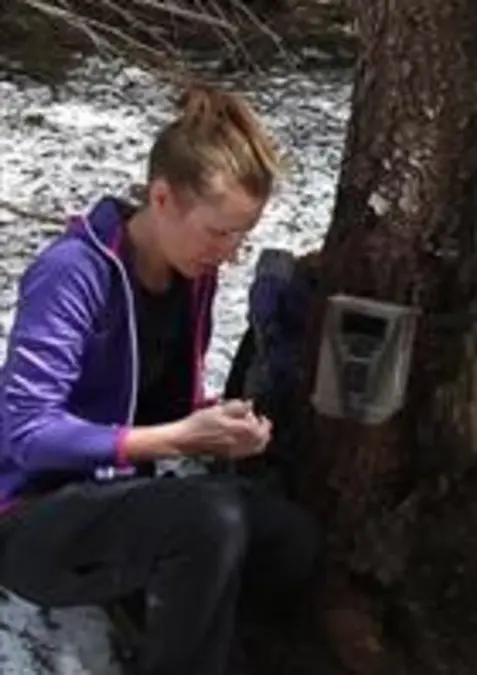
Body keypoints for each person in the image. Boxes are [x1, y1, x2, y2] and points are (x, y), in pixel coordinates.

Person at [0, 83, 321, 675]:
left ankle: (178, 630)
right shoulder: (72, 273)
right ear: (162, 197)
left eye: (241, 236)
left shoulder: (188, 274)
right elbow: (27, 430)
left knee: (289, 538)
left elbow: (157, 401)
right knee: (209, 522)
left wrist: (222, 422)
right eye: (218, 232)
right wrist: (179, 438)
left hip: (125, 497)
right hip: (29, 516)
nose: (228, 253)